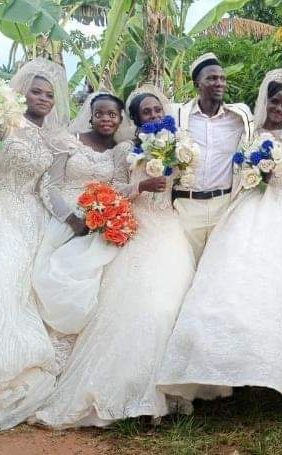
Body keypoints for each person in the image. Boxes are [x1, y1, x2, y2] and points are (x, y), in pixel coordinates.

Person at [158, 68, 282, 409]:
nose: (279, 109)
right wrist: (259, 170)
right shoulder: (247, 127)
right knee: (238, 281)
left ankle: (281, 368)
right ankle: (232, 368)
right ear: (265, 101)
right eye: (275, 102)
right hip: (249, 204)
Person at [34, 86, 196, 428]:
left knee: (170, 303)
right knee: (129, 305)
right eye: (146, 112)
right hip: (135, 228)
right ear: (133, 120)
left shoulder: (180, 145)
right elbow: (118, 189)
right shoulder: (127, 151)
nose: (153, 115)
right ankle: (130, 392)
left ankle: (166, 389)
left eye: (157, 110)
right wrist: (139, 188)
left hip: (168, 228)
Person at [33, 93, 135, 370]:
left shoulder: (118, 152)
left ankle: (76, 355)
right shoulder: (69, 142)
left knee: (92, 284)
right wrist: (71, 219)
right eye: (99, 113)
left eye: (112, 114)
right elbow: (49, 186)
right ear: (90, 116)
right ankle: (45, 346)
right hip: (63, 219)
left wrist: (108, 215)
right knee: (52, 276)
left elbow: (118, 189)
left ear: (120, 119)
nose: (105, 119)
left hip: (97, 224)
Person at [0, 58, 69, 430]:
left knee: (30, 288)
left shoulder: (53, 141)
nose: (43, 98)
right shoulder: (7, 124)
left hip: (35, 220)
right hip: (3, 212)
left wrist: (73, 219)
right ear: (22, 94)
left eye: (49, 94)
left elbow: (49, 188)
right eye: (36, 92)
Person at [170, 52, 253, 263]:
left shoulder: (239, 117)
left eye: (222, 78)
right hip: (186, 207)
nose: (219, 83)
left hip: (224, 207)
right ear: (197, 84)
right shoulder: (177, 115)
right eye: (212, 78)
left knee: (218, 270)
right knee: (184, 268)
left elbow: (271, 123)